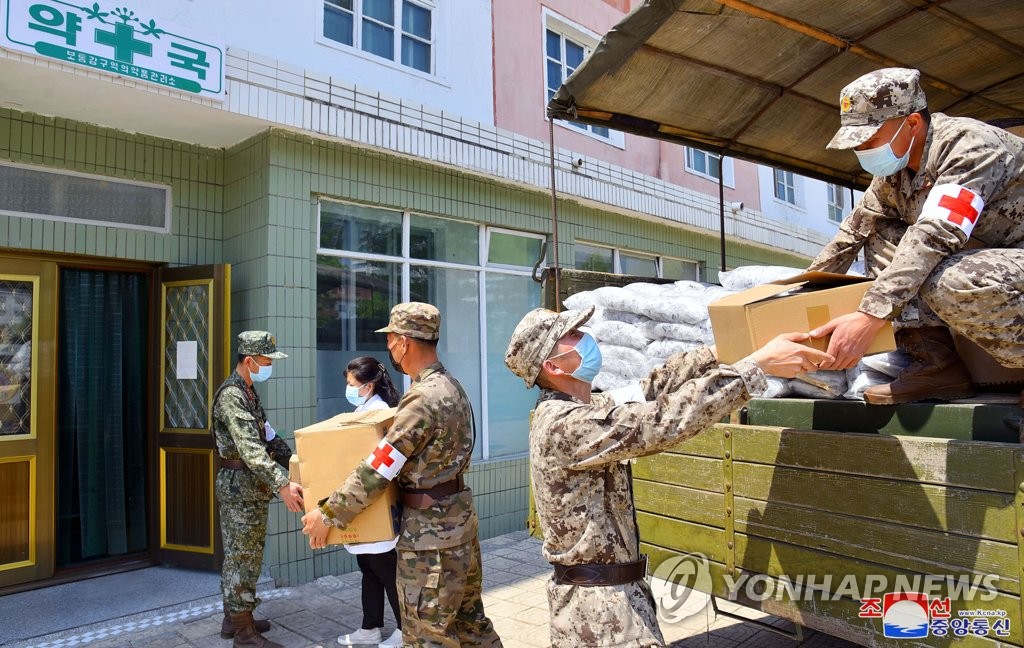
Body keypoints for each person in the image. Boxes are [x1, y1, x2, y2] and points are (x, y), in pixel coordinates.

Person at [503, 306, 830, 648]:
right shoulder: (565, 425)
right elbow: (660, 420)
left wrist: (722, 354)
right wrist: (754, 369)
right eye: (570, 336)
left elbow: (653, 387)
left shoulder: (588, 408)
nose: (585, 338)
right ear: (553, 367)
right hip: (599, 614)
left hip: (612, 597)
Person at [806, 67, 1024, 406]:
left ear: (911, 123)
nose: (862, 150)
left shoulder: (970, 147)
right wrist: (797, 298)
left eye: (870, 138)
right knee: (880, 231)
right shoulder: (895, 175)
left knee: (951, 278)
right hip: (1004, 258)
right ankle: (937, 364)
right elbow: (851, 234)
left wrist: (870, 315)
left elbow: (935, 234)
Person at [301, 303, 503, 648]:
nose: (389, 347)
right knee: (472, 628)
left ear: (404, 343)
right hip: (459, 524)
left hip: (430, 540)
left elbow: (379, 468)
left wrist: (328, 512)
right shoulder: (452, 387)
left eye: (391, 339)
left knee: (427, 636)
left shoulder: (421, 399)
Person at [213, 331, 304, 648]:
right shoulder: (232, 397)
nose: (269, 367)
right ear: (249, 361)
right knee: (242, 560)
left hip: (251, 488)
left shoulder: (249, 392)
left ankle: (236, 618)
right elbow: (251, 450)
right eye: (266, 362)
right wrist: (283, 484)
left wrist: (294, 461)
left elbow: (267, 436)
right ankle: (243, 634)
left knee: (245, 557)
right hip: (239, 489)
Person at [337, 356, 404, 648]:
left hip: (375, 504)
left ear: (368, 385)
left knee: (388, 572)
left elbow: (379, 465)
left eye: (352, 384)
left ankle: (405, 630)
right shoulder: (363, 409)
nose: (349, 388)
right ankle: (370, 627)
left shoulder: (378, 413)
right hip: (362, 504)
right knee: (369, 569)